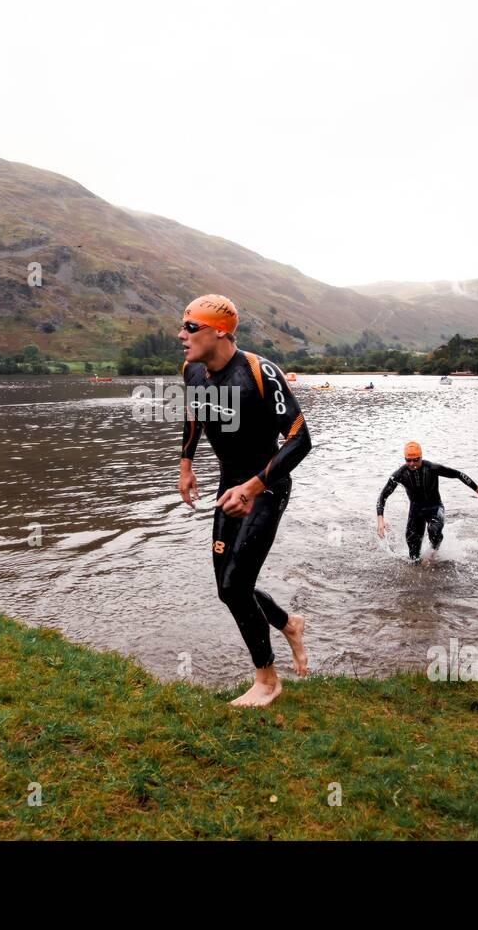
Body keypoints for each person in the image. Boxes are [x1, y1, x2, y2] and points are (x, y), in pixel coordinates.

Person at [177, 294, 312, 706]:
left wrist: (253, 487)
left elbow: (300, 439)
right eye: (182, 327)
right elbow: (194, 415)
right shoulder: (192, 371)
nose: (181, 335)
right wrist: (185, 463)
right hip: (227, 486)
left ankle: (267, 681)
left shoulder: (259, 372)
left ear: (220, 331)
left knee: (236, 586)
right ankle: (289, 624)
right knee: (228, 588)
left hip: (266, 487)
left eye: (190, 328)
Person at [375, 441, 478, 562]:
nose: (412, 464)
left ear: (421, 457)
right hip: (415, 511)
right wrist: (380, 520)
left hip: (434, 508)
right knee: (413, 556)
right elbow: (382, 496)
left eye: (415, 460)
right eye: (408, 460)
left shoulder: (431, 468)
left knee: (434, 532)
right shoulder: (400, 474)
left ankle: (432, 553)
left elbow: (459, 474)